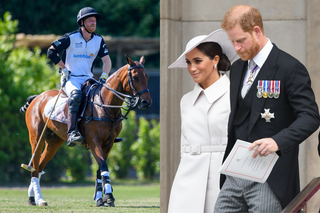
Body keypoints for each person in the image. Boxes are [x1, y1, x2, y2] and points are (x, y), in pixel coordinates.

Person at [214, 5, 320, 212]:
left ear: (256, 31)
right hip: (235, 173)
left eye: (240, 40)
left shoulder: (290, 68)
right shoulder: (236, 69)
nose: (236, 48)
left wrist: (277, 141)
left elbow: (310, 117)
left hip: (270, 177)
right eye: (232, 42)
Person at [167, 29, 237, 213]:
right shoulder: (186, 100)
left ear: (215, 60)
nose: (192, 68)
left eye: (198, 61)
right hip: (187, 181)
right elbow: (185, 145)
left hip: (224, 180)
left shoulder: (235, 96)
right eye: (189, 62)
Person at [47, 7, 112, 147]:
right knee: (76, 96)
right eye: (90, 20)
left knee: (102, 98)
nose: (94, 23)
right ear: (82, 22)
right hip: (71, 78)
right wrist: (63, 68)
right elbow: (51, 52)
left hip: (88, 79)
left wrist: (104, 76)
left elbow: (107, 60)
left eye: (95, 20)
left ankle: (106, 132)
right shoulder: (70, 37)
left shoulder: (99, 40)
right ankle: (72, 133)